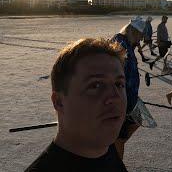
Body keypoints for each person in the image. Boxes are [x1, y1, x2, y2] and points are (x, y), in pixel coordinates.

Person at [25, 38, 128, 171]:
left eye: (119, 84)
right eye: (96, 85)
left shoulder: (109, 154)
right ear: (59, 102)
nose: (116, 97)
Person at [111, 16, 145, 160]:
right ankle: (115, 165)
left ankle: (110, 153)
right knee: (119, 138)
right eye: (139, 37)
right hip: (120, 101)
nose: (140, 41)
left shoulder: (128, 44)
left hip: (130, 99)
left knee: (138, 120)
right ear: (132, 31)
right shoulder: (119, 44)